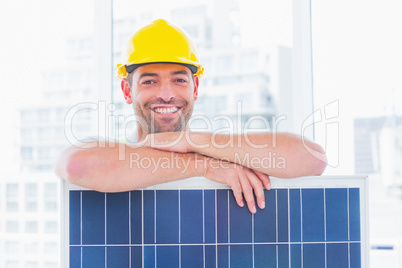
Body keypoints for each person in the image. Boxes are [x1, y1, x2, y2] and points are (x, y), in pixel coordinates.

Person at [55, 19, 327, 214]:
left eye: (179, 80)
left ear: (195, 88)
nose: (166, 94)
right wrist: (203, 166)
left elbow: (314, 158)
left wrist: (192, 141)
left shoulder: (227, 153)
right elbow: (76, 166)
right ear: (127, 90)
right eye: (149, 82)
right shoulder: (115, 154)